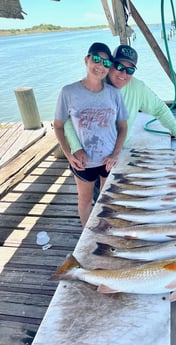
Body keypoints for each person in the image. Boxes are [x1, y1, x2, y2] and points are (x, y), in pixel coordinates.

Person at [64, 44, 176, 169]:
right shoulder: (93, 84)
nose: (123, 73)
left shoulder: (138, 88)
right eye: (119, 66)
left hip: (117, 154)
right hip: (87, 154)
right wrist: (76, 148)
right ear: (110, 64)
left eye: (130, 70)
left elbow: (159, 109)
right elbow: (67, 119)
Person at [53, 42, 129, 227]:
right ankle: (87, 235)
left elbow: (123, 127)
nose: (100, 66)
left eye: (106, 62)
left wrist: (115, 153)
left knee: (106, 200)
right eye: (96, 59)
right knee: (85, 201)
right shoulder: (68, 92)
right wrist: (69, 154)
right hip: (83, 162)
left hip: (108, 161)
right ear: (87, 60)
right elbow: (58, 126)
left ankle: (104, 230)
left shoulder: (114, 93)